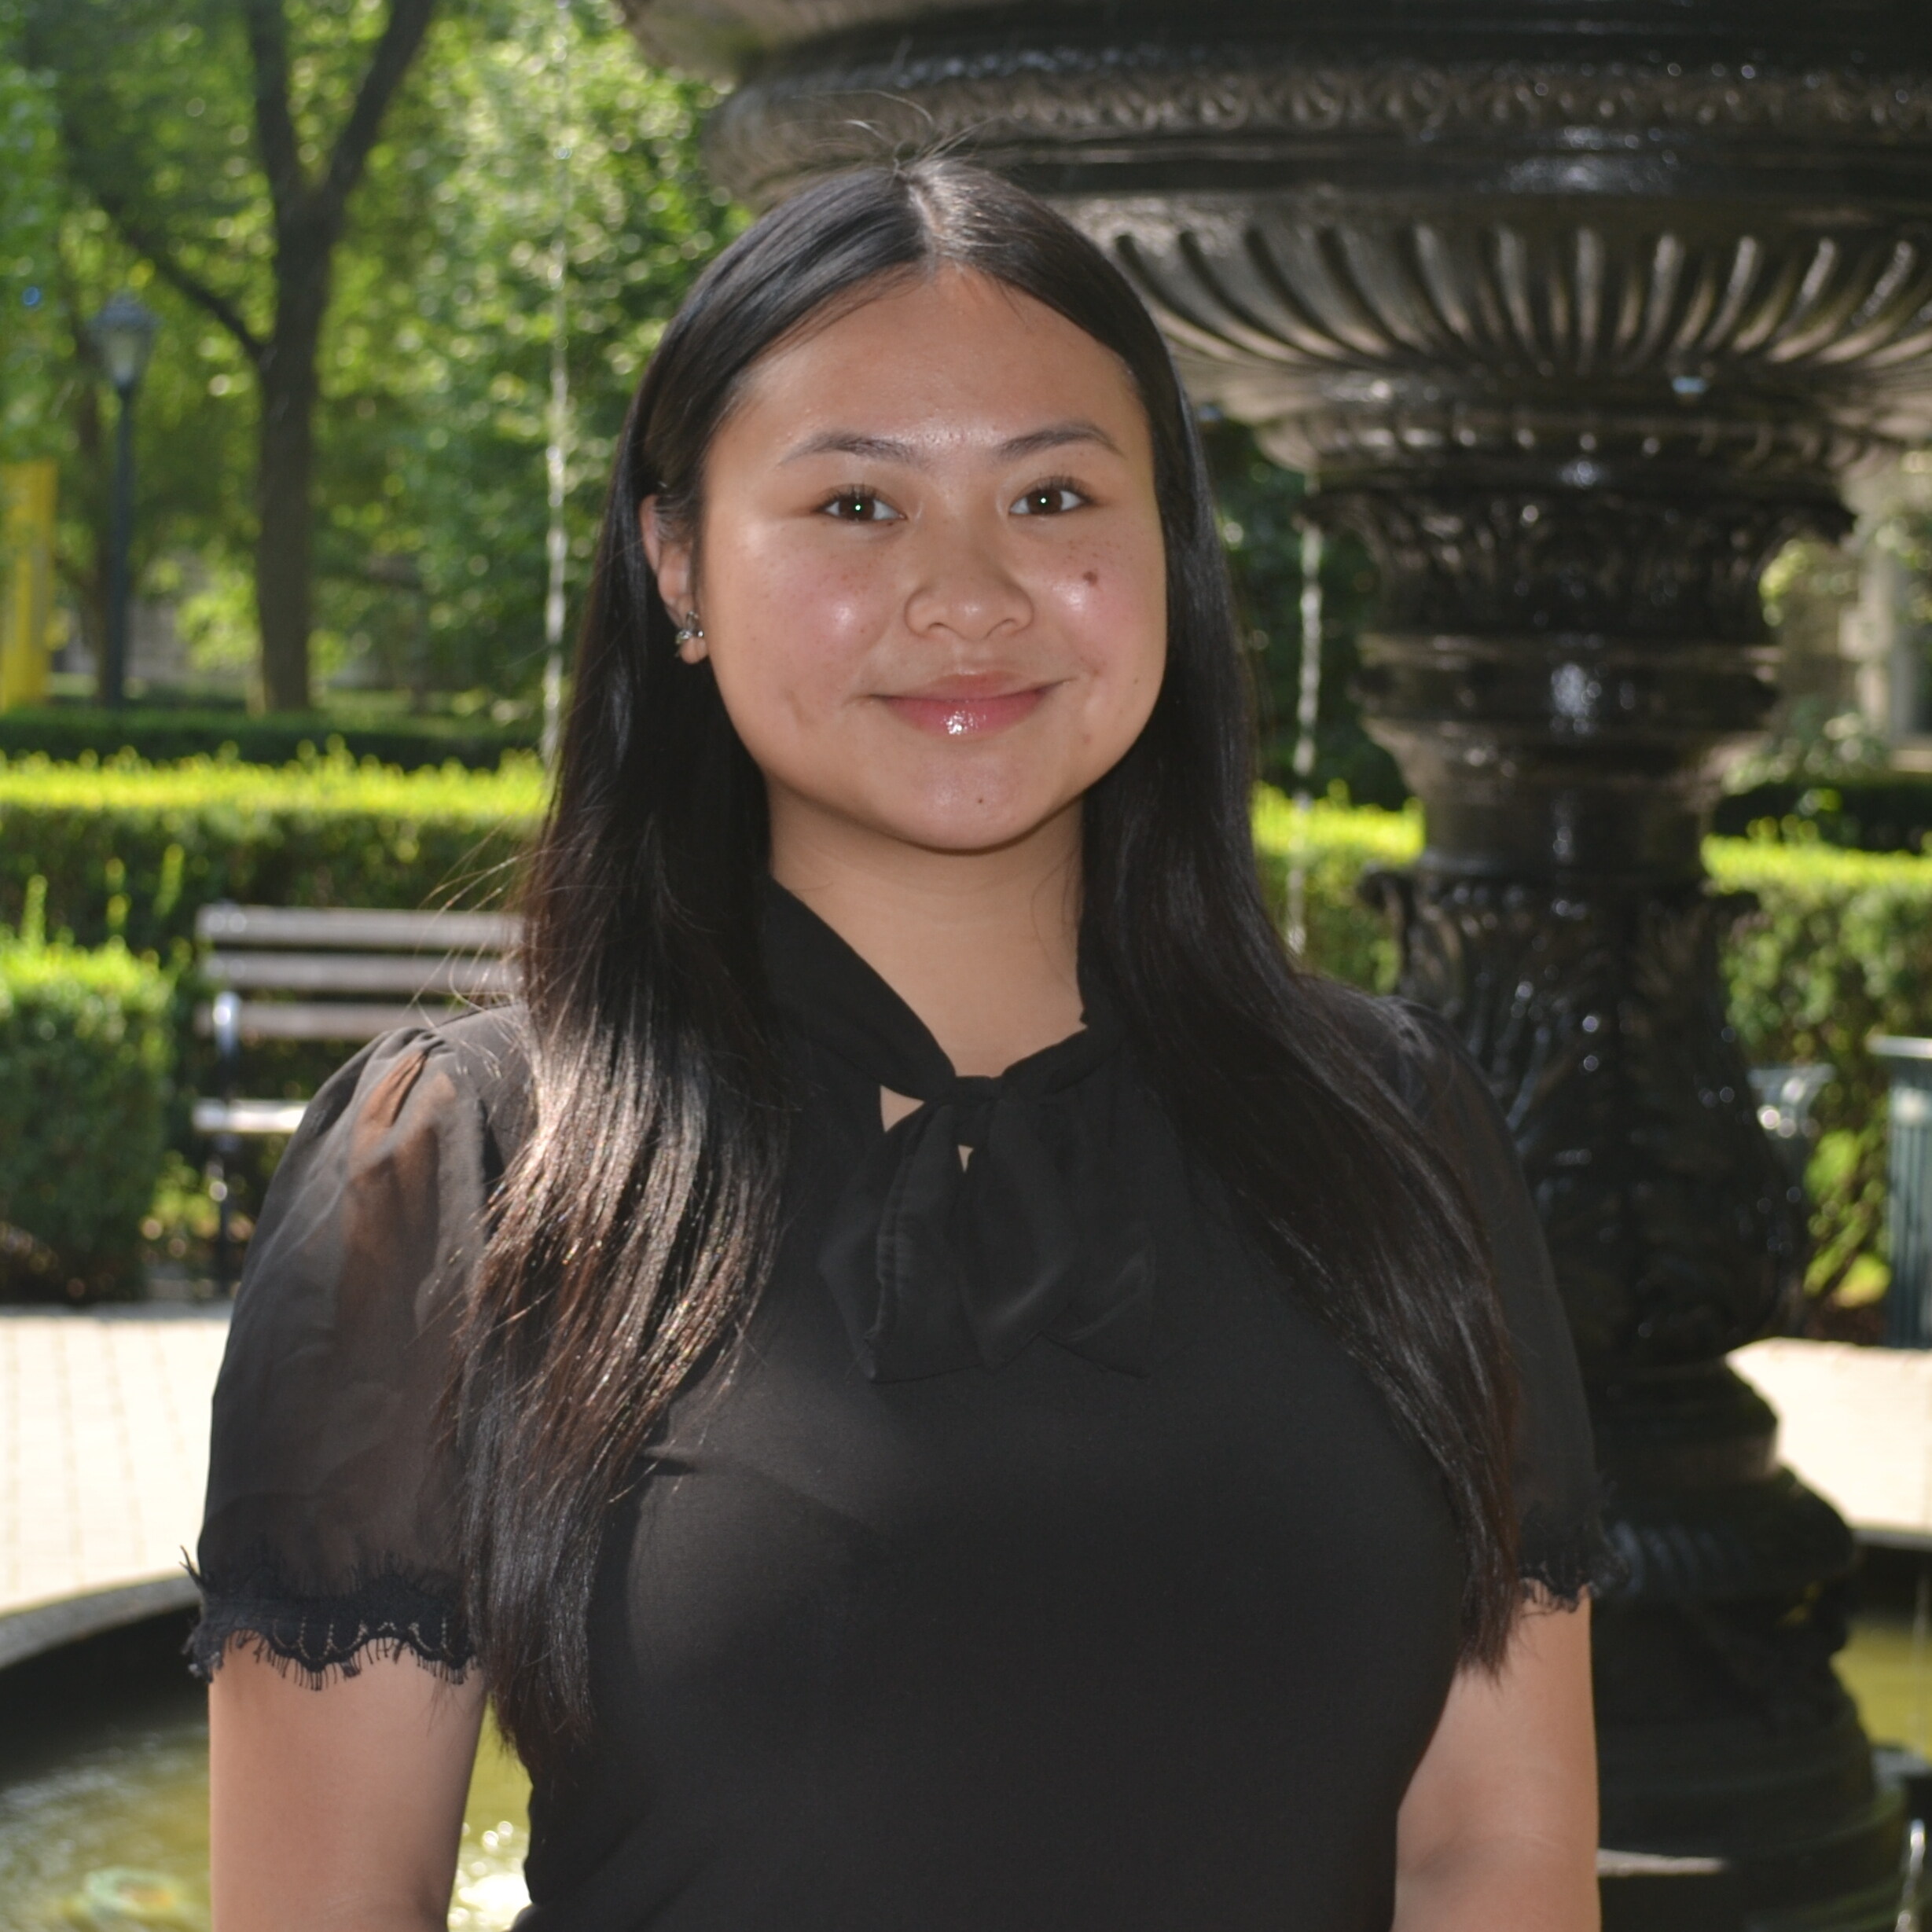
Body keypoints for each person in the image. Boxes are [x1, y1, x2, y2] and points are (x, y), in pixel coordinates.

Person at [195, 160, 1609, 1932]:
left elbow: (1494, 1851)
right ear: (675, 561)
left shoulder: (1392, 1132)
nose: (966, 592)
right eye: (856, 501)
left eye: (1051, 494)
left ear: (1165, 545)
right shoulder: (469, 1168)